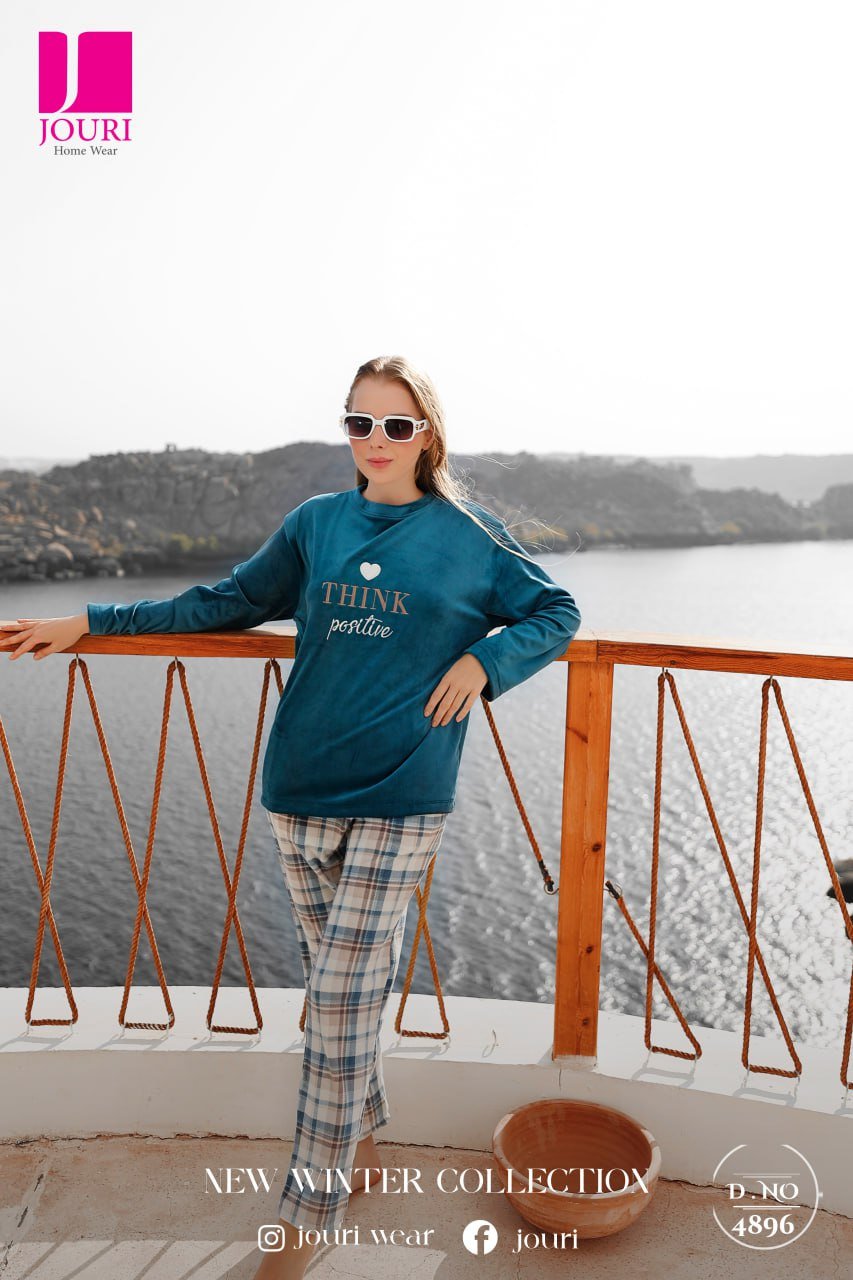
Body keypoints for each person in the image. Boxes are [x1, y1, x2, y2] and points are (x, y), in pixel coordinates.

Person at [0, 355, 582, 1279]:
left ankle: (305, 1218)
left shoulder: (470, 535)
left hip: (403, 795)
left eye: (396, 425)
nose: (376, 441)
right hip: (300, 788)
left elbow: (556, 610)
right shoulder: (316, 523)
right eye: (360, 423)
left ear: (427, 434)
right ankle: (365, 1137)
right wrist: (92, 621)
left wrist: (485, 663)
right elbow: (226, 602)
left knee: (341, 1002)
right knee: (335, 991)